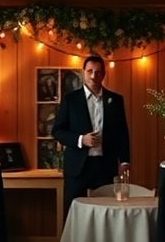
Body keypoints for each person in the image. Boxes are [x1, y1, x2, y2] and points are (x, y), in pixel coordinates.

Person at [52, 53, 130, 216]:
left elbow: (122, 133)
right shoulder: (70, 99)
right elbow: (57, 131)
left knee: (106, 213)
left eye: (98, 72)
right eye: (90, 71)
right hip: (78, 167)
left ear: (104, 74)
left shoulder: (115, 100)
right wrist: (81, 139)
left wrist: (124, 161)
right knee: (74, 213)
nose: (94, 76)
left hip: (105, 166)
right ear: (83, 72)